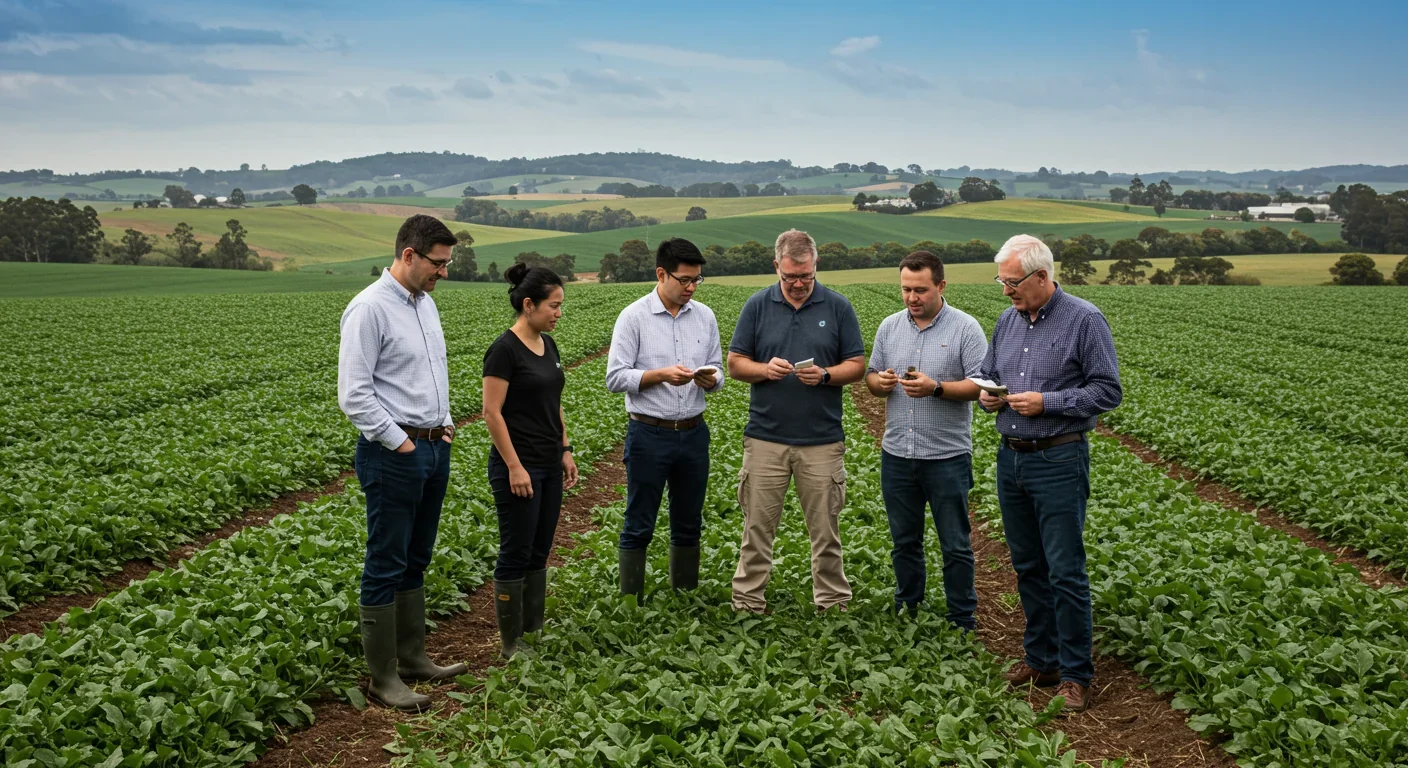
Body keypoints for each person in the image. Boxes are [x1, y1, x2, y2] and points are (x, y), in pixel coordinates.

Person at [978, 234, 1122, 713]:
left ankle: (1076, 674)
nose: (1006, 291)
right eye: (1001, 282)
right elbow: (987, 371)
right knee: (1028, 566)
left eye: (1012, 282)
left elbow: (1107, 391)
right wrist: (987, 394)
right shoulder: (1007, 320)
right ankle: (1042, 660)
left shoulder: (1084, 319)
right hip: (1011, 457)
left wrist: (1048, 402)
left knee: (1064, 570)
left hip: (1059, 458)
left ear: (1042, 276)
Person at [338, 214, 467, 713]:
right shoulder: (369, 309)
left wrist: (445, 425)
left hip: (433, 446)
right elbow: (354, 394)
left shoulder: (425, 304)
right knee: (386, 560)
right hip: (393, 452)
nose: (444, 272)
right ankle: (383, 676)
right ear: (409, 254)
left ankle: (413, 658)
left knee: (417, 556)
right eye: (438, 263)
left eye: (447, 263)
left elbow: (432, 372)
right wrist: (402, 444)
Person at [727, 229, 866, 613]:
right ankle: (747, 603)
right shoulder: (757, 306)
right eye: (790, 277)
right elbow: (735, 363)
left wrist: (825, 375)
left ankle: (832, 603)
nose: (799, 284)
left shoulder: (837, 307)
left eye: (806, 276)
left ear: (815, 264)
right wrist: (764, 369)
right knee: (757, 528)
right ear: (777, 267)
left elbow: (857, 365)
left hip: (822, 440)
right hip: (765, 438)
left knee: (826, 531)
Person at [864, 251, 986, 627]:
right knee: (904, 541)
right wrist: (881, 383)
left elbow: (981, 385)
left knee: (955, 543)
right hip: (898, 454)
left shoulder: (966, 328)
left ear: (941, 286)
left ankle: (961, 617)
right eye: (906, 289)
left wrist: (937, 388)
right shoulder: (889, 327)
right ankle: (909, 607)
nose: (912, 297)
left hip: (947, 456)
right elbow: (871, 377)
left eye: (920, 290)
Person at [606, 238, 723, 597]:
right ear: (661, 274)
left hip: (693, 433)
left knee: (689, 521)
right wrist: (660, 375)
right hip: (648, 434)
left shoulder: (704, 317)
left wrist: (712, 379)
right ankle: (630, 603)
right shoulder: (634, 317)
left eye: (696, 280)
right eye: (684, 280)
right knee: (639, 521)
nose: (691, 288)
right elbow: (615, 378)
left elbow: (717, 367)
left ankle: (684, 597)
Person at [482, 263, 578, 658]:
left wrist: (565, 449)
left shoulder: (548, 345)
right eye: (553, 305)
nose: (559, 313)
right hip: (519, 467)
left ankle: (533, 630)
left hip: (549, 462)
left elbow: (554, 402)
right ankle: (511, 642)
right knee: (516, 551)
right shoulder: (504, 351)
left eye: (560, 305)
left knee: (540, 550)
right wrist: (514, 467)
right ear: (528, 304)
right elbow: (491, 412)